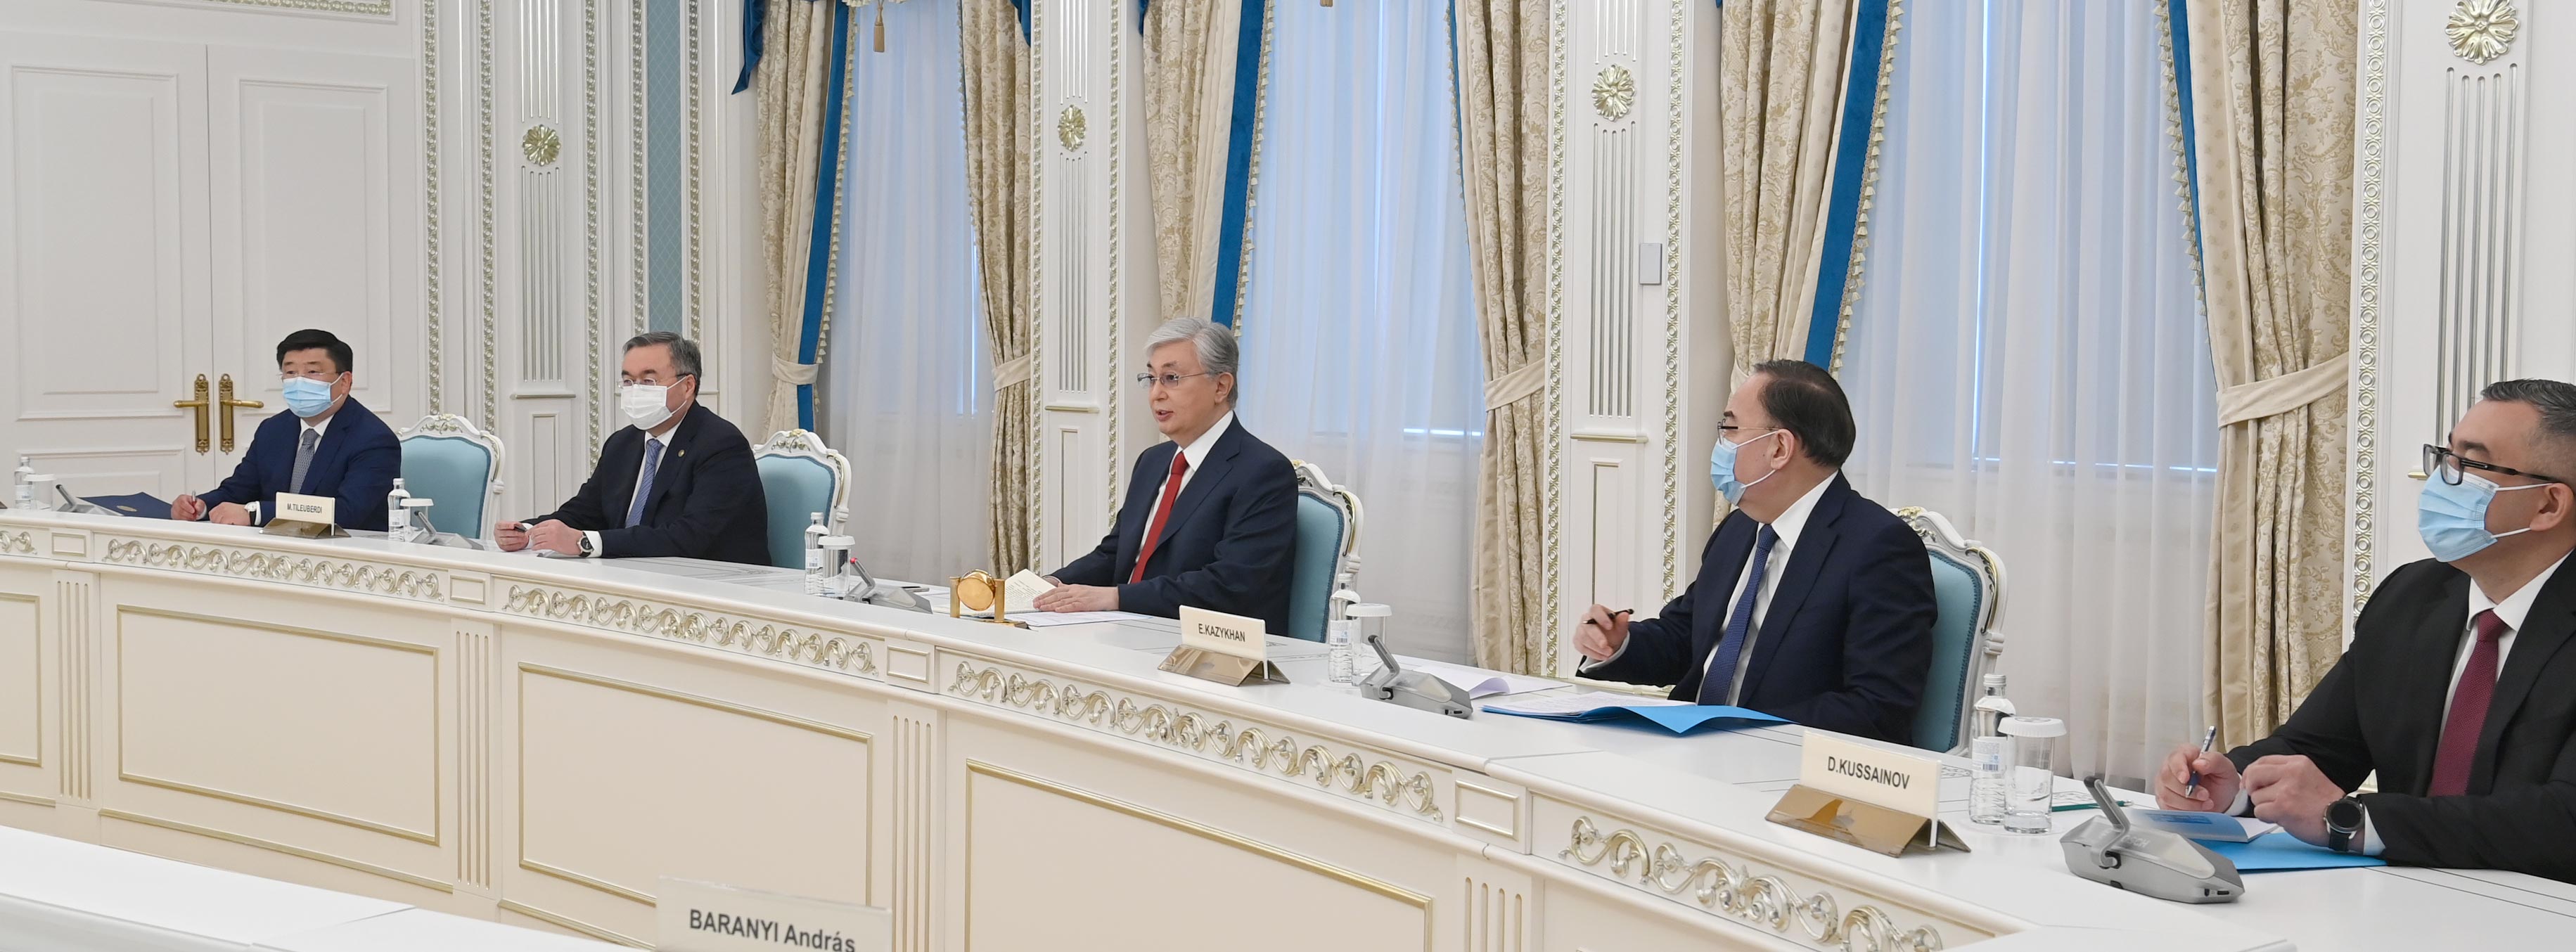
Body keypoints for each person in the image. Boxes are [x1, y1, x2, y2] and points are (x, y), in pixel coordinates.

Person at [2155, 379, 2576, 882]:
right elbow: (2321, 747)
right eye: (2446, 455)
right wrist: (2233, 787)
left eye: (2471, 463)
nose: (2442, 479)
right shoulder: (2413, 596)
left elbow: (2561, 820)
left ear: (2548, 505)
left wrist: (2348, 820)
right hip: (2408, 891)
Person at [1574, 359, 1936, 742]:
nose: (1720, 445)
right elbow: (1688, 638)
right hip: (1693, 747)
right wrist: (1618, 643)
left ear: (1780, 447)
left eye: (1730, 429)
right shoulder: (1741, 527)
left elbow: (1877, 708)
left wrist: (1736, 729)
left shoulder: (1879, 547)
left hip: (1779, 761)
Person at [1034, 316, 1298, 633]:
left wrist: (1116, 598)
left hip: (1204, 645)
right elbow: (1116, 554)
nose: (1156, 394)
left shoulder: (1263, 471)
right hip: (1127, 630)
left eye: (1171, 378)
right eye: (1151, 378)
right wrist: (1052, 584)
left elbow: (1231, 584)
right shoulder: (1153, 461)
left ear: (1221, 386)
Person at [496, 332, 769, 565]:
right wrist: (528, 532)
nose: (635, 391)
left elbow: (689, 536)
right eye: (628, 381)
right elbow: (586, 511)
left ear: (687, 386)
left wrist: (584, 542)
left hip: (714, 586)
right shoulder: (623, 443)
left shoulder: (721, 444)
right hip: (633, 576)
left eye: (648, 381)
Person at [172, 330, 401, 532]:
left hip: (347, 552)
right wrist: (200, 506)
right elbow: (239, 489)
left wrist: (256, 514)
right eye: (290, 373)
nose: (299, 381)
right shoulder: (273, 429)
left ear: (345, 381)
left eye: (313, 372)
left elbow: (346, 513)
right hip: (275, 549)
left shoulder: (374, 440)